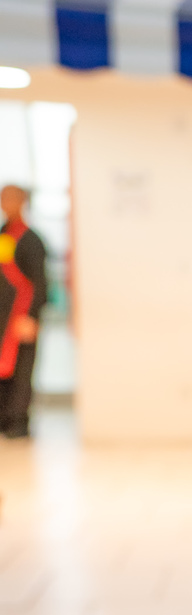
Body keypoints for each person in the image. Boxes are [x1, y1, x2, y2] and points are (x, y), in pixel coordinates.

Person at [0, 184, 48, 440]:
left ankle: (19, 423)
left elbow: (40, 282)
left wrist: (31, 316)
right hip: (2, 317)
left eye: (12, 198)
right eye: (3, 198)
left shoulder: (31, 240)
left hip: (21, 316)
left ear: (23, 201)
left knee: (21, 371)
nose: (6, 203)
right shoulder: (3, 235)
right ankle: (3, 420)